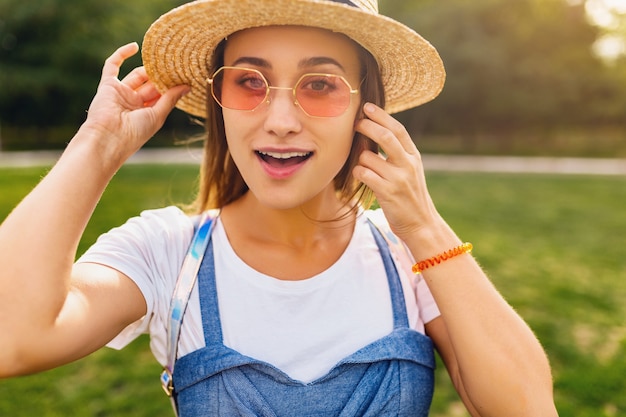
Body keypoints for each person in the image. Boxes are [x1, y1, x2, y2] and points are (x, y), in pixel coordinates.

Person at [0, 0, 558, 416]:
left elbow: (528, 408)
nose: (281, 119)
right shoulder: (167, 253)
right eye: (249, 81)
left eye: (319, 83)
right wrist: (97, 145)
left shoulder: (409, 256)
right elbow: (13, 337)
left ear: (366, 108)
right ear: (221, 106)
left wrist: (426, 230)